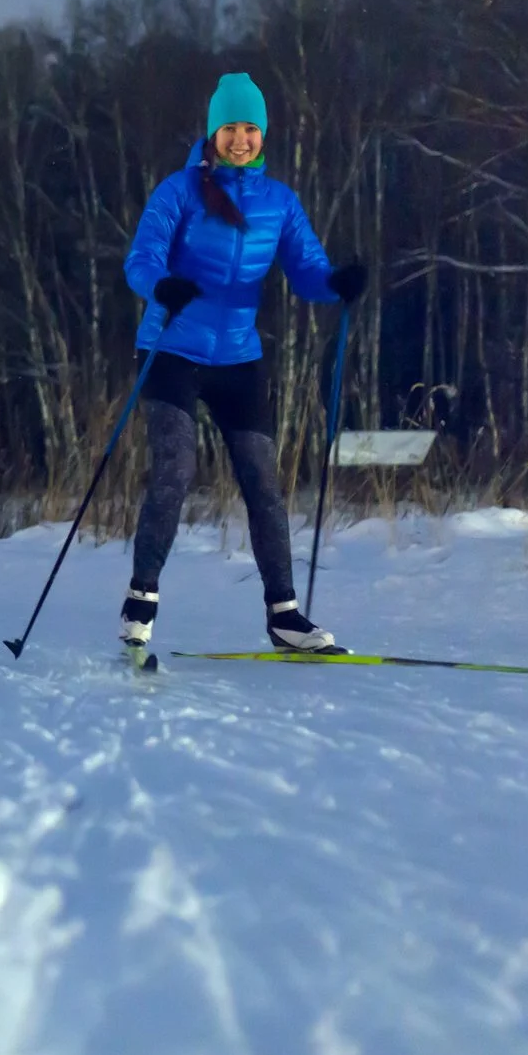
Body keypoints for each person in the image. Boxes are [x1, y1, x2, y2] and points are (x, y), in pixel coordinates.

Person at [119, 72, 367, 656]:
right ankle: (140, 604)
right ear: (213, 132)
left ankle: (285, 617)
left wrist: (337, 283)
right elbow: (142, 257)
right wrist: (163, 287)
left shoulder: (279, 203)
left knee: (263, 482)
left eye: (251, 128)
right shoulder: (178, 193)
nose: (240, 139)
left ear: (263, 135)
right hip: (172, 349)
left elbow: (307, 269)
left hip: (237, 357)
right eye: (230, 127)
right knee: (175, 469)